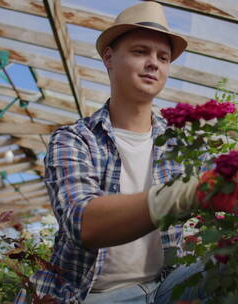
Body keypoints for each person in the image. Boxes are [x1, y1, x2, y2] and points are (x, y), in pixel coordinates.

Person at [15, 2, 205, 303]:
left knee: (236, 261)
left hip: (164, 286)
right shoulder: (75, 140)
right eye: (140, 51)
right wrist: (185, 193)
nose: (154, 63)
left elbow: (223, 192)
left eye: (163, 57)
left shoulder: (180, 143)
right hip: (93, 293)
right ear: (109, 57)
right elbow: (83, 223)